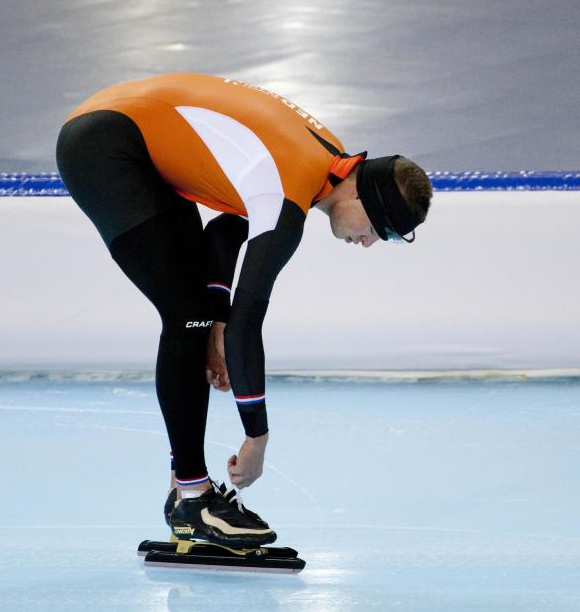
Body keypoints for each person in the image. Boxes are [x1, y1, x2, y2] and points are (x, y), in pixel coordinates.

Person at [56, 73, 432, 548]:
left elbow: (225, 231)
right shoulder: (291, 188)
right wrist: (257, 439)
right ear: (360, 196)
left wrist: (216, 317)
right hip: (104, 144)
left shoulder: (323, 161)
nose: (370, 243)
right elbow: (245, 326)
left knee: (193, 309)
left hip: (121, 126)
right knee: (184, 313)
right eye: (382, 229)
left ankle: (185, 488)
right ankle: (191, 499)